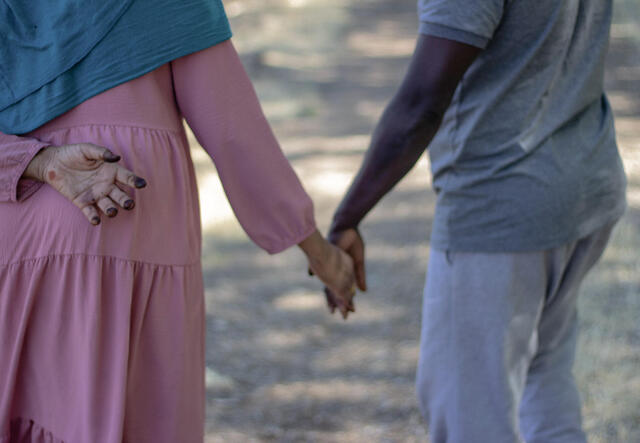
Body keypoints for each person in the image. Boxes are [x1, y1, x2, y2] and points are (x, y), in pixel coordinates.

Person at [0, 1, 356, 442]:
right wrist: (318, 251)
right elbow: (233, 131)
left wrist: (39, 160)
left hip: (15, 235)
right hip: (126, 228)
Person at [326, 0, 627, 441]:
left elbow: (422, 102)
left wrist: (348, 217)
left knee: (468, 411)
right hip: (584, 181)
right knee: (544, 378)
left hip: (500, 205)